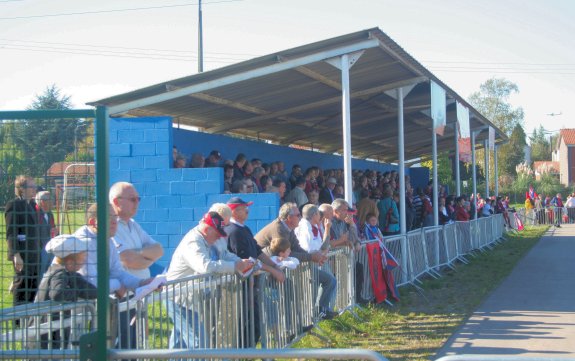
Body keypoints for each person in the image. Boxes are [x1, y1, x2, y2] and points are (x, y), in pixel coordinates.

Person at [166, 212, 254, 349]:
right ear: (207, 229)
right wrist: (235, 267)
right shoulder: (193, 242)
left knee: (179, 344)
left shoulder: (207, 239)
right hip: (179, 298)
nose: (219, 237)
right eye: (217, 234)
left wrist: (241, 262)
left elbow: (224, 254)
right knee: (198, 342)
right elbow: (205, 266)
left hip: (189, 297)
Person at [254, 202, 337, 319]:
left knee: (329, 280)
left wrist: (315, 256)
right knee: (289, 294)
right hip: (266, 271)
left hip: (279, 269)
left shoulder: (288, 228)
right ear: (289, 218)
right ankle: (291, 328)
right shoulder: (279, 229)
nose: (300, 217)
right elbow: (286, 253)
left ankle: (319, 313)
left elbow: (296, 248)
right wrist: (311, 257)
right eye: (298, 215)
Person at [225, 197, 285, 347]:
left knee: (255, 322)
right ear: (234, 211)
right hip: (241, 285)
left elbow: (258, 252)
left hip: (252, 283)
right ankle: (240, 353)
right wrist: (273, 270)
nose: (247, 210)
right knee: (245, 322)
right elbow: (248, 260)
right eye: (244, 208)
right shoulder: (233, 232)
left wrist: (274, 265)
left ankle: (246, 353)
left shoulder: (244, 228)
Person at [34, 234, 97, 351]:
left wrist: (79, 287)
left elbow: (92, 291)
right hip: (44, 331)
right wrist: (78, 292)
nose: (84, 260)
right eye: (82, 257)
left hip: (54, 330)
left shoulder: (69, 274)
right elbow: (57, 293)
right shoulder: (58, 273)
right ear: (69, 262)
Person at [109, 182, 164, 279]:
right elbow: (127, 258)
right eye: (132, 199)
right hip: (124, 292)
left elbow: (159, 250)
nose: (137, 203)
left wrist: (138, 254)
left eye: (138, 199)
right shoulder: (110, 226)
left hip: (142, 290)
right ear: (116, 202)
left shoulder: (133, 225)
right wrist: (149, 258)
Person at [5, 175, 40, 305]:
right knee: (22, 288)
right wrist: (16, 254)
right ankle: (18, 323)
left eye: (34, 186)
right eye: (31, 186)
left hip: (34, 255)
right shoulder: (14, 205)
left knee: (32, 289)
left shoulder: (31, 205)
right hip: (22, 256)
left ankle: (29, 322)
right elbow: (11, 232)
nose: (34, 189)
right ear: (22, 189)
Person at [34, 190, 58, 281]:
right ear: (42, 202)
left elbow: (52, 229)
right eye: (50, 199)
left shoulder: (49, 214)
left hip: (50, 247)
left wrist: (56, 231)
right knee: (41, 273)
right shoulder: (35, 214)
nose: (53, 202)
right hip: (40, 249)